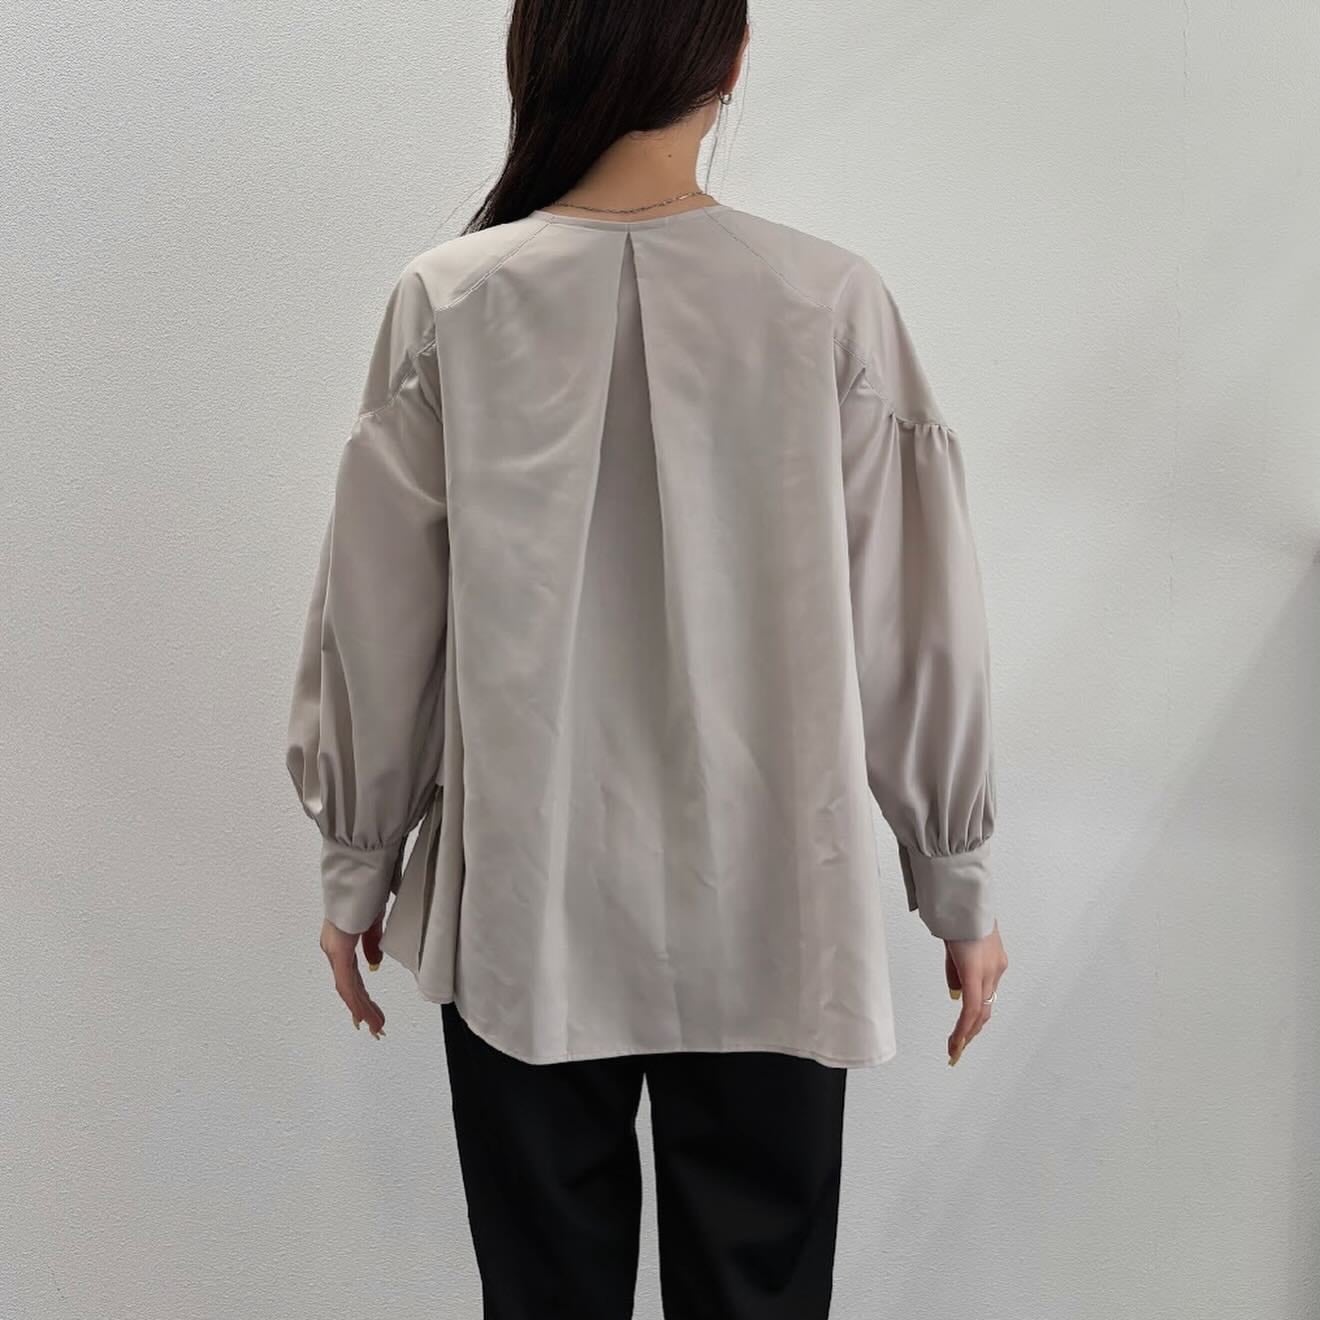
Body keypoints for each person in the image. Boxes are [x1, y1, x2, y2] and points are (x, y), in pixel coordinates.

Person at [285, 2, 1009, 1315]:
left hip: (528, 900)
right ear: (731, 60)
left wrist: (358, 863)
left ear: (537, 54)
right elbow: (917, 624)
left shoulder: (451, 300)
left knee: (543, 1292)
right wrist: (952, 878)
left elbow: (377, 623)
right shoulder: (828, 301)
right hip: (777, 900)